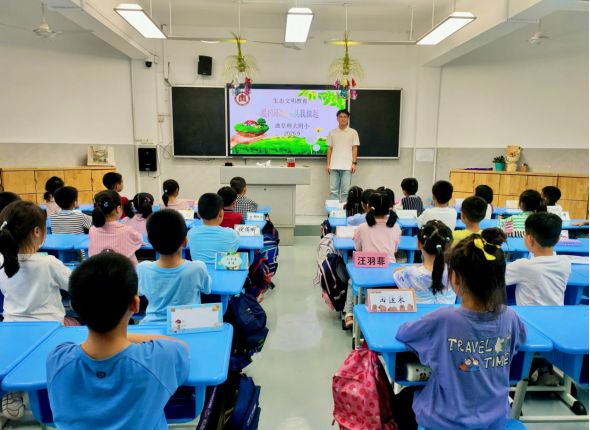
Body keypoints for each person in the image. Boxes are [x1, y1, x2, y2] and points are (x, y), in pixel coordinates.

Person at [393, 229, 527, 430]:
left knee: (401, 401)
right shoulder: (510, 316)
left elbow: (404, 333)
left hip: (445, 421)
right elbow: (521, 339)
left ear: (454, 277)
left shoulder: (442, 319)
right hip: (495, 419)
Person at [46, 253, 190, 429]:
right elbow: (181, 347)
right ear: (135, 304)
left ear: (74, 307)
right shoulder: (159, 357)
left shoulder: (57, 358)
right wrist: (121, 336)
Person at [0, 201, 76, 325]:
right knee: (76, 321)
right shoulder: (50, 263)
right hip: (49, 328)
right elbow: (76, 286)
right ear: (36, 231)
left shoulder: (1, 261)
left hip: (11, 326)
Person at [138, 210, 211, 324]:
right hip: (189, 326)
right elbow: (207, 290)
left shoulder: (142, 269)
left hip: (152, 327)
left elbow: (139, 293)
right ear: (185, 242)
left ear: (149, 240)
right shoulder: (198, 268)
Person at [343, 191, 402, 328]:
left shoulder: (362, 228)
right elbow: (394, 250)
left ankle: (349, 313)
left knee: (352, 281)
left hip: (366, 271)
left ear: (368, 207)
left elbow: (358, 249)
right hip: (390, 272)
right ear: (390, 208)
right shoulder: (396, 227)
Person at [506, 213, 571, 306]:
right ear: (558, 239)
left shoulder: (522, 266)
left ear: (530, 239)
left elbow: (493, 278)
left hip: (527, 315)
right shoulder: (566, 262)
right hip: (556, 313)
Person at [393, 220, 456, 304]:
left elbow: (396, 273)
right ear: (448, 246)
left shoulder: (411, 273)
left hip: (418, 312)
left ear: (418, 244)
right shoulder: (455, 273)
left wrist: (414, 267)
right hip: (447, 312)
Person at [89, 191, 143, 266]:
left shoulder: (92, 230)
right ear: (118, 209)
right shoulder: (127, 230)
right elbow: (139, 240)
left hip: (98, 271)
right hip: (126, 271)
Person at [188, 194, 240, 265]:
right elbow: (233, 251)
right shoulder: (231, 234)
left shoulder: (191, 233)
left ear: (198, 214)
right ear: (221, 213)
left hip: (199, 271)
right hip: (224, 271)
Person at [326, 109, 360, 203]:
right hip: (334, 166)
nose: (342, 119)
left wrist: (354, 163)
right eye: (340, 117)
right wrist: (328, 164)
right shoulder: (332, 132)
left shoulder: (353, 132)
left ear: (348, 118)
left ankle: (345, 209)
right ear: (337, 118)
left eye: (345, 117)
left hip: (347, 166)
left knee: (346, 192)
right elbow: (329, 149)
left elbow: (355, 148)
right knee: (333, 191)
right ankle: (334, 210)